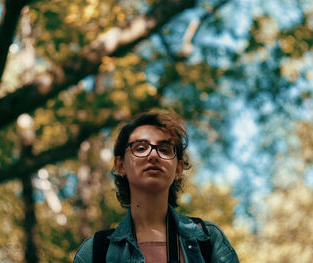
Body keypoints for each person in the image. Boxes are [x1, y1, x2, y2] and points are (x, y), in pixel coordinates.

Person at [73, 110, 239, 263]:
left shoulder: (208, 239)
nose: (153, 155)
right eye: (140, 148)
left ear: (178, 169)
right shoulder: (95, 251)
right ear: (120, 165)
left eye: (165, 150)